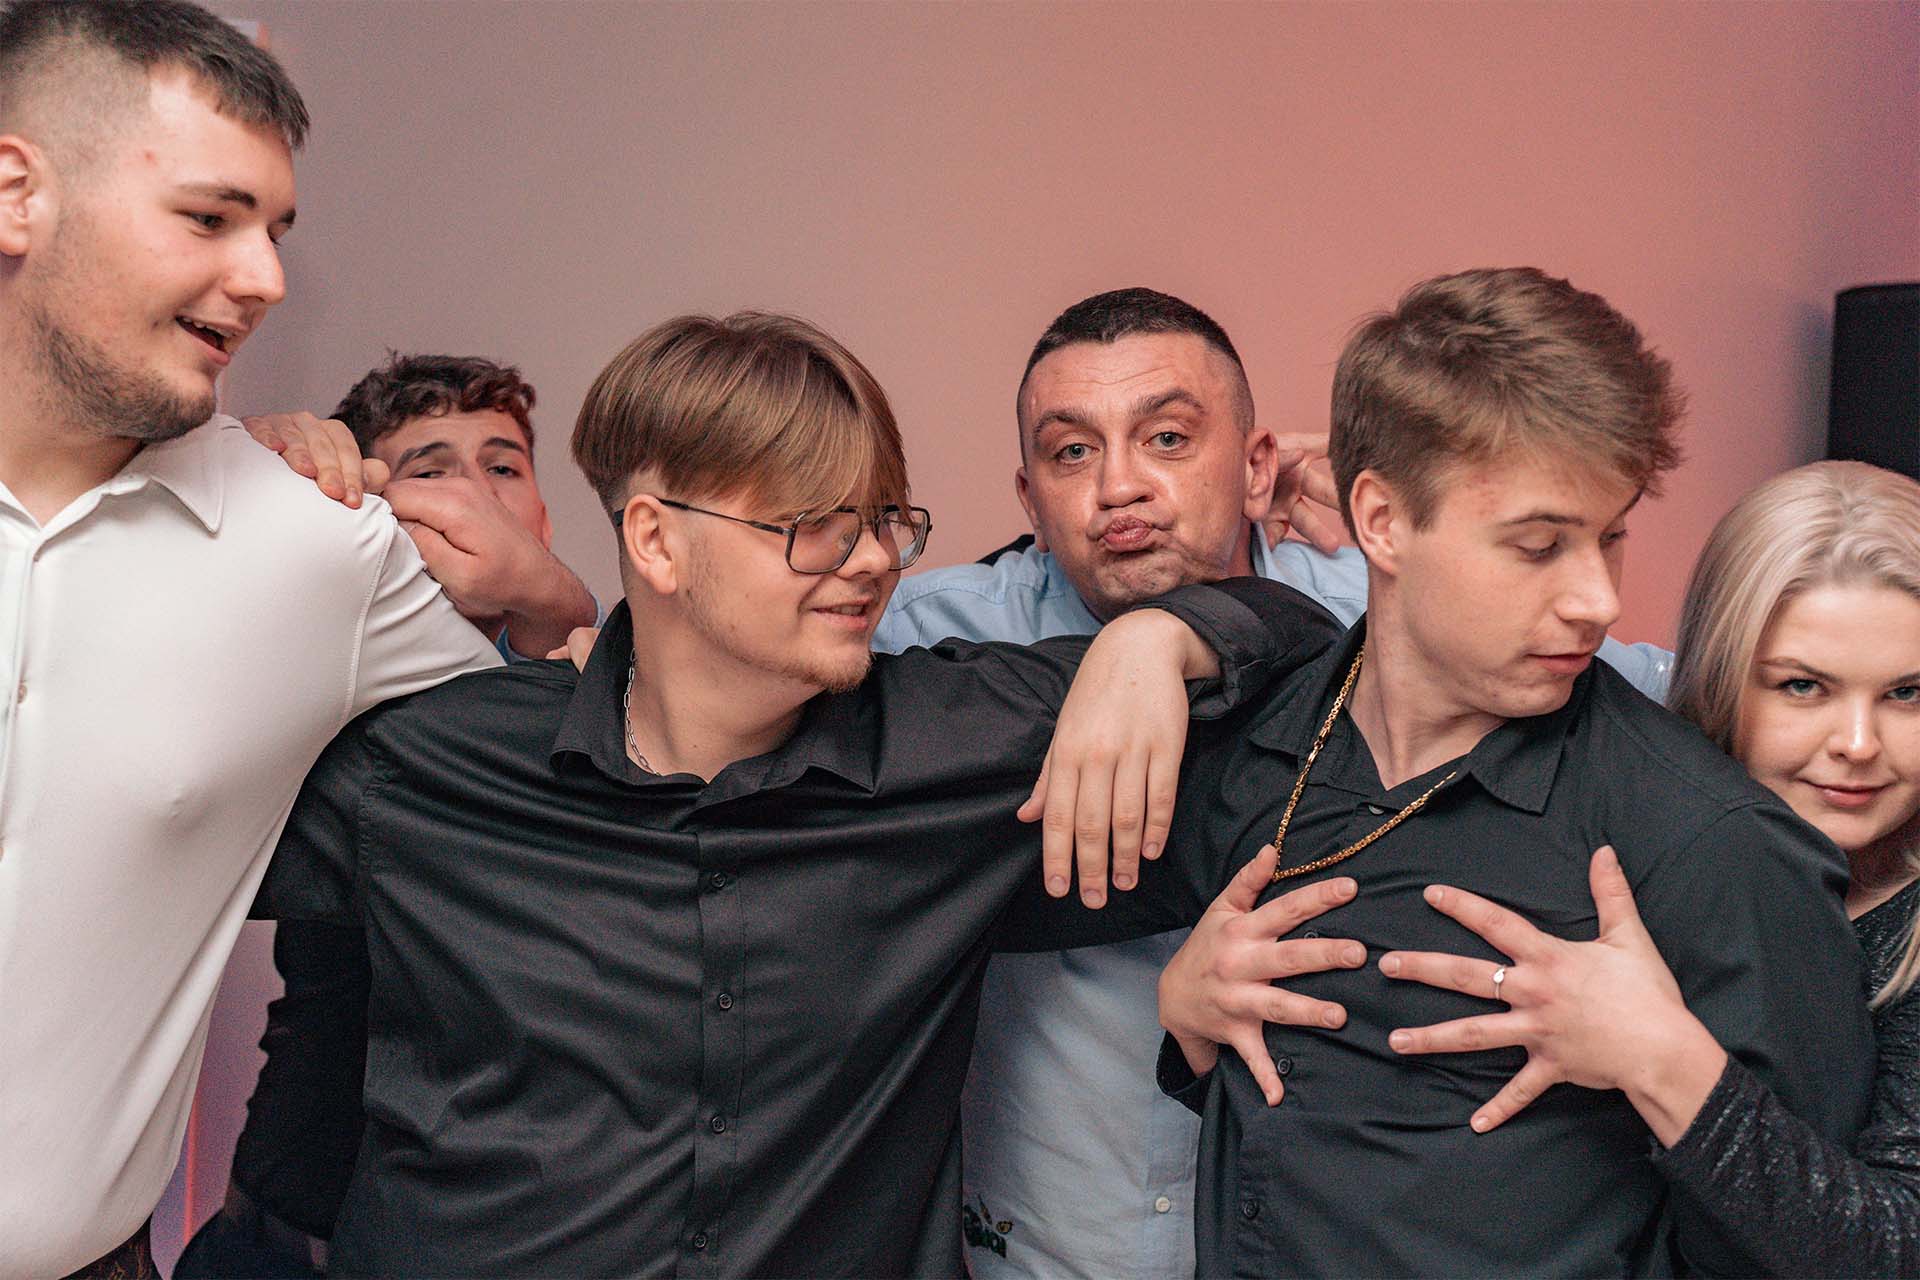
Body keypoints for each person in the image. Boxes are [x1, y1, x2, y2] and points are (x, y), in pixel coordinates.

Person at [247, 309, 1346, 1276]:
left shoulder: (959, 741)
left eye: (881, 520)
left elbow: (1320, 656)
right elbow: (159, 839)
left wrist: (1159, 636)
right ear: (656, 540)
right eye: (812, 522)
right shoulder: (434, 759)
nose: (868, 560)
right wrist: (224, 492)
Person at [872, 286, 1674, 1279]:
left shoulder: (1380, 607)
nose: (1119, 486)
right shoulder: (940, 638)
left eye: (1169, 438)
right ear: (1030, 500)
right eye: (1072, 452)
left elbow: (1684, 689)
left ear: (1259, 468)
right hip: (1046, 1238)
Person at [1147, 267, 1872, 1275]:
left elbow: (1833, 1249)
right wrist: (1184, 1020)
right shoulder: (1251, 747)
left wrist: (1667, 1069)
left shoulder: (1710, 841)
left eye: (1611, 537)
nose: (1599, 599)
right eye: (1540, 546)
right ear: (1382, 520)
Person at [0, 3, 499, 1275]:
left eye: (275, 229)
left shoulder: (316, 543)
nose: (268, 278)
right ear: (16, 194)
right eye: (211, 217)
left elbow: (570, 773)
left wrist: (553, 604)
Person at [1376, 460, 1920, 1276]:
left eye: (1906, 694)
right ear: (1719, 675)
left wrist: (1658, 1054)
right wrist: (1190, 633)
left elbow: (1898, 1249)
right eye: (1804, 687)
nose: (1857, 743)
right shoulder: (1631, 780)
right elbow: (1395, 644)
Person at [178, 354, 601, 1277]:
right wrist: (251, 470)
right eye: (430, 467)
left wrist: (559, 603)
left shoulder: (622, 697)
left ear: (542, 517)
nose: (474, 492)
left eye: (503, 466)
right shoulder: (318, 689)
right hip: (280, 1241)